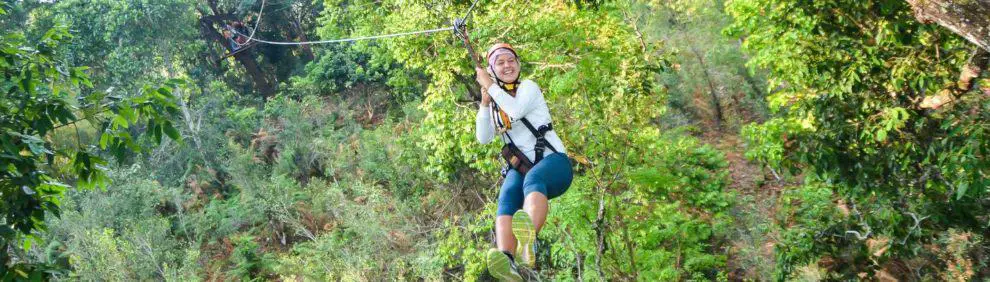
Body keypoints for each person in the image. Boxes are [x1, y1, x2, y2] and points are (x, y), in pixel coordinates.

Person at [475, 43, 573, 281]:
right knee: (508, 193)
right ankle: (506, 259)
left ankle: (529, 240)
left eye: (511, 61)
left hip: (555, 163)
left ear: (518, 65)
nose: (507, 66)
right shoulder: (497, 102)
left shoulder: (528, 88)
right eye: (500, 63)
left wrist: (490, 85)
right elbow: (484, 138)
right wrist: (486, 103)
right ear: (492, 69)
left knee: (534, 178)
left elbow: (516, 110)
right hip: (525, 166)